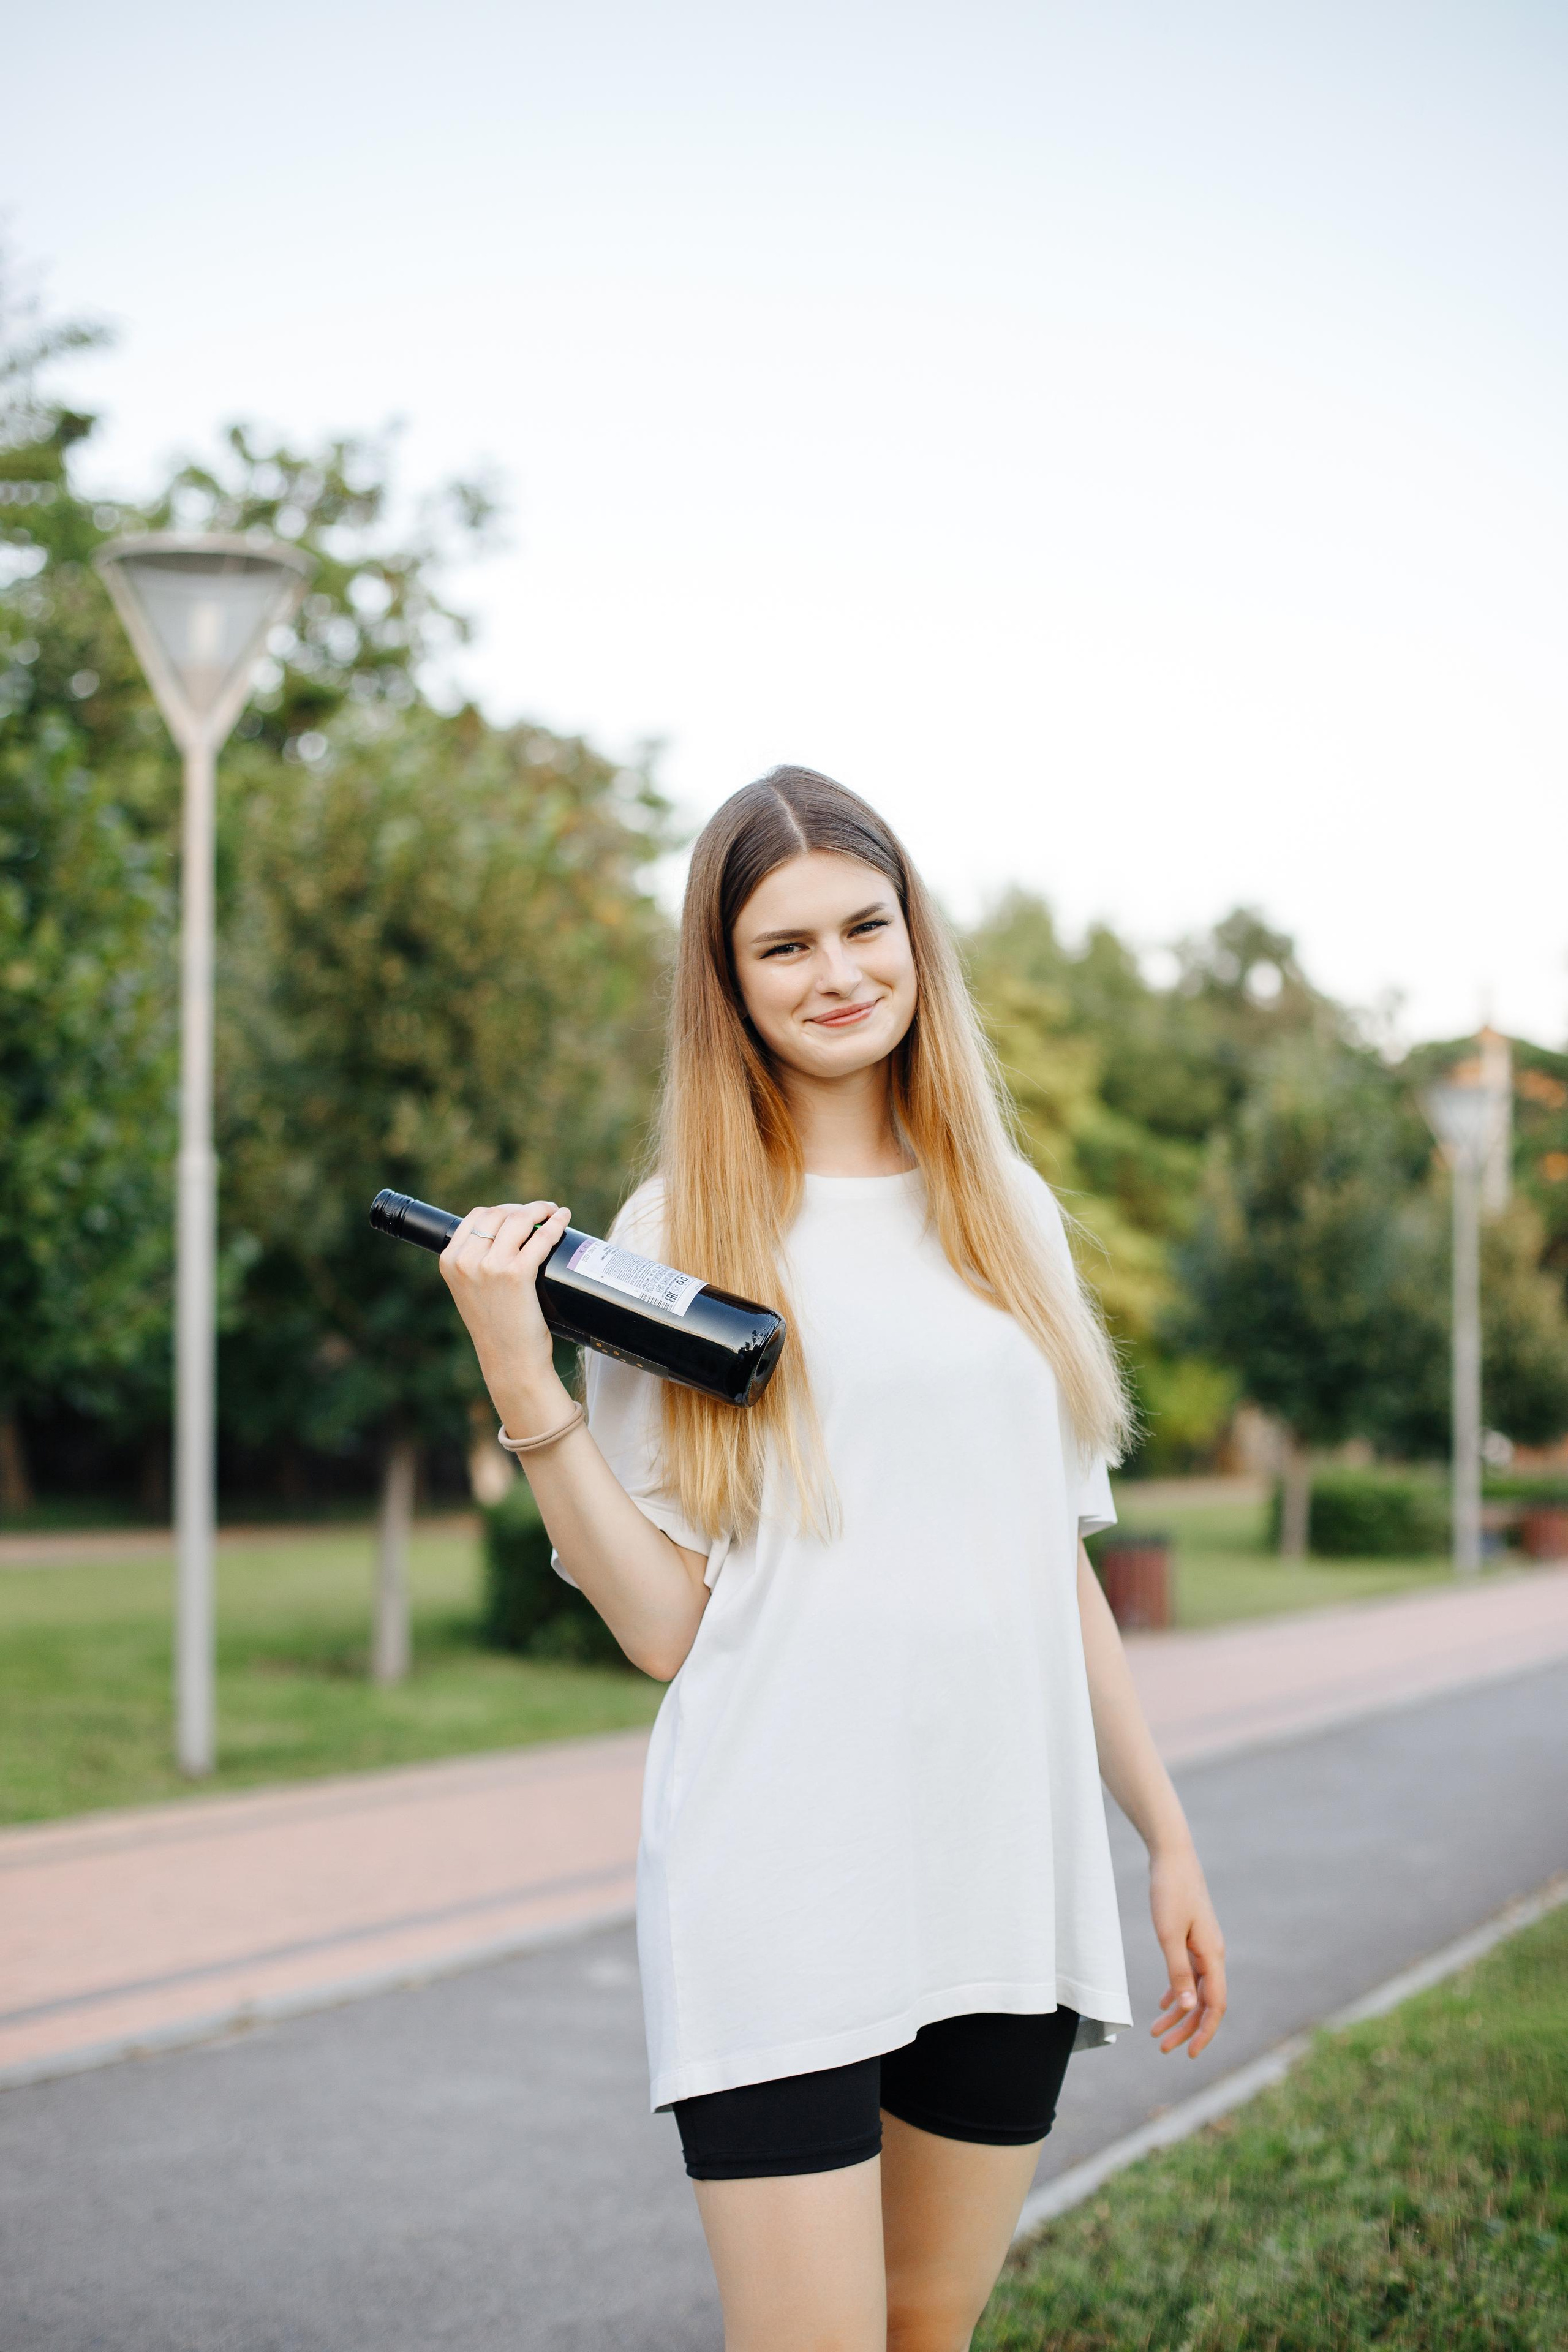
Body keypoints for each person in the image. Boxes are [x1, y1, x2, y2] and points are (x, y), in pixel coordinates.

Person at [440, 767, 1227, 2352]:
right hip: (782, 1867)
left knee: (929, 2330)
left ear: (916, 938)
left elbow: (1047, 1562)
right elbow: (666, 1627)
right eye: (781, 947)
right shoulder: (674, 1234)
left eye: (866, 925)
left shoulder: (1012, 1215)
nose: (837, 972)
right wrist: (525, 1384)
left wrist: (1167, 1837)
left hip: (1006, 1862)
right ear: (724, 984)